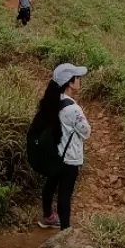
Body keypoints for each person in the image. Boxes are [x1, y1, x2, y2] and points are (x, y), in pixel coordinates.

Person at [34, 63, 91, 230]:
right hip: (69, 158)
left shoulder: (51, 101)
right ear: (70, 83)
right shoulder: (73, 109)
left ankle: (48, 217)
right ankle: (65, 233)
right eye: (78, 78)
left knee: (50, 185)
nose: (80, 80)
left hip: (54, 155)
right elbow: (86, 132)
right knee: (65, 195)